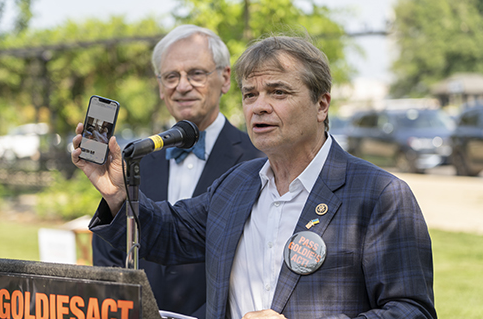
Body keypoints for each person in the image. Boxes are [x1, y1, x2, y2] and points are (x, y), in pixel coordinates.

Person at [75, 36, 435, 318]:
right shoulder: (238, 184)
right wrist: (118, 196)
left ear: (321, 104)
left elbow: (411, 310)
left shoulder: (381, 195)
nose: (259, 106)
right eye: (251, 94)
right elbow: (170, 234)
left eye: (278, 92)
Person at [83, 25, 264, 318]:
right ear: (159, 85)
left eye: (196, 73)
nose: (182, 86)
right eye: (171, 76)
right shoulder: (135, 160)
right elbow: (108, 256)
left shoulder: (258, 161)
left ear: (225, 78)